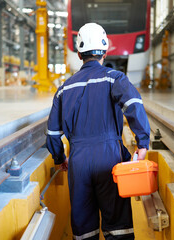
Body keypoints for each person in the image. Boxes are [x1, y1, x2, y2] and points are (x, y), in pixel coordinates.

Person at [46, 23, 150, 240]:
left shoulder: (64, 88)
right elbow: (133, 104)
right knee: (118, 226)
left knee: (84, 229)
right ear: (105, 51)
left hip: (78, 161)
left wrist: (60, 158)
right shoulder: (115, 78)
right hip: (109, 157)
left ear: (78, 53)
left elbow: (53, 133)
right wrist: (142, 143)